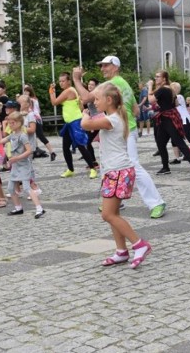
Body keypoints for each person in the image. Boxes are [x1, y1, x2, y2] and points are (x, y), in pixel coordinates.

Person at [72, 56, 167, 219]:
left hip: (122, 130)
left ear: (115, 67)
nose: (102, 69)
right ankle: (115, 199)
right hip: (122, 128)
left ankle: (156, 202)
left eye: (106, 66)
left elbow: (87, 98)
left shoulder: (112, 84)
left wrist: (76, 79)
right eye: (101, 66)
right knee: (108, 164)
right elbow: (136, 110)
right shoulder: (123, 83)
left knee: (132, 166)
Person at [80, 83, 152, 269]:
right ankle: (121, 251)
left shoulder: (111, 120)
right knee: (114, 213)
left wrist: (85, 114)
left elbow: (85, 125)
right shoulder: (114, 116)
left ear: (109, 100)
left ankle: (139, 244)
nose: (94, 103)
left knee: (107, 215)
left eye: (98, 100)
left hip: (117, 171)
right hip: (115, 171)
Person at [147, 70, 190, 176]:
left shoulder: (162, 89)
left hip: (168, 118)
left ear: (164, 79)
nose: (155, 78)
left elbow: (150, 100)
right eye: (155, 77)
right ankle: (165, 167)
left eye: (158, 76)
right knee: (161, 142)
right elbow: (175, 103)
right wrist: (164, 104)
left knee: (178, 142)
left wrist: (149, 87)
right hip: (167, 118)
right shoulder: (169, 89)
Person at [49, 72, 98, 179]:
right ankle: (70, 169)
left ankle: (93, 168)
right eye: (60, 81)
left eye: (63, 81)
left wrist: (51, 91)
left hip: (75, 122)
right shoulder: (73, 91)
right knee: (65, 147)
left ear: (69, 81)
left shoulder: (69, 91)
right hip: (70, 123)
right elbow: (80, 107)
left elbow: (54, 102)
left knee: (81, 146)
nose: (61, 83)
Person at [0, 112, 45, 218]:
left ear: (19, 123)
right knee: (11, 188)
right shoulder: (12, 135)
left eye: (12, 123)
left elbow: (29, 150)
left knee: (26, 188)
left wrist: (17, 158)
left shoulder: (23, 136)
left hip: (24, 165)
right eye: (9, 123)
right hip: (15, 165)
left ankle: (39, 208)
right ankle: (18, 208)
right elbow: (0, 141)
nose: (10, 125)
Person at [23, 85, 56, 160]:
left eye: (26, 91)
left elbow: (29, 109)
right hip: (37, 118)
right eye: (24, 91)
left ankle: (51, 151)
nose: (25, 92)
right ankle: (35, 151)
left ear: (29, 92)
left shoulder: (30, 100)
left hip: (33, 119)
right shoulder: (35, 99)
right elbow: (39, 110)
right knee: (35, 136)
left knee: (40, 136)